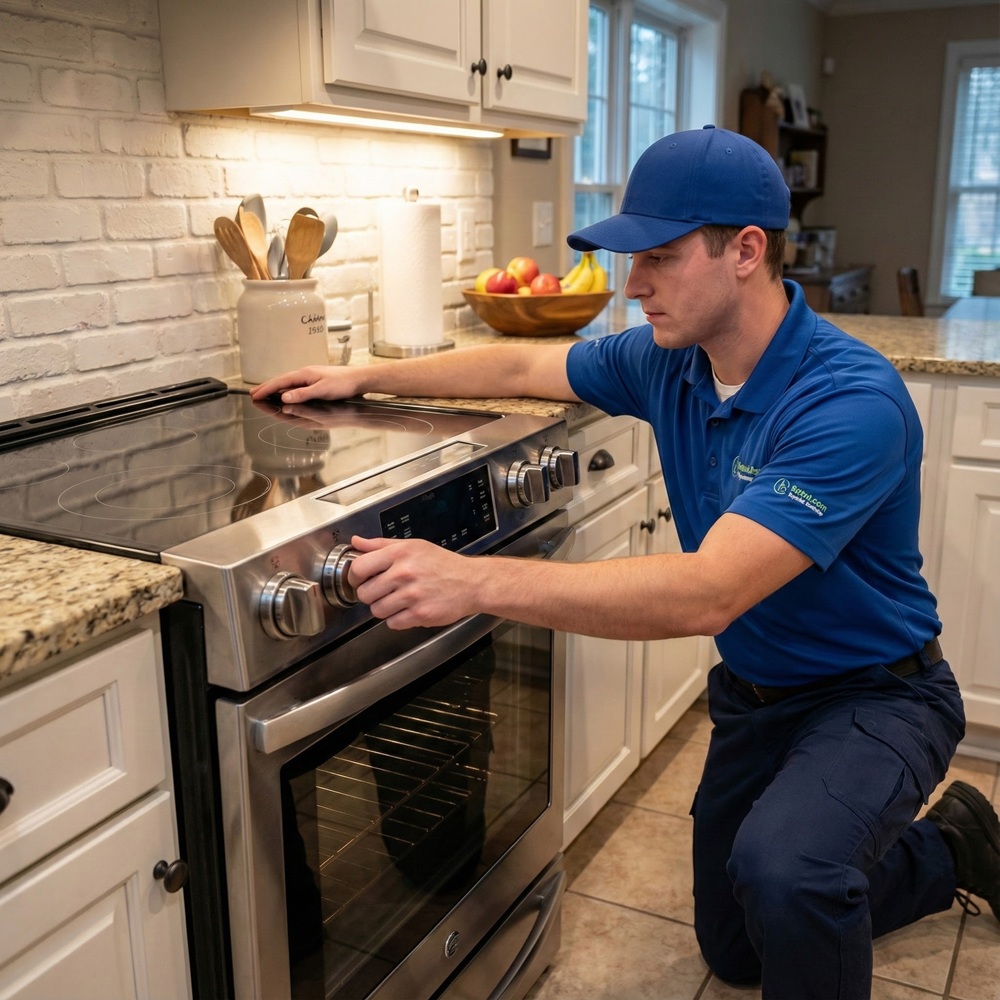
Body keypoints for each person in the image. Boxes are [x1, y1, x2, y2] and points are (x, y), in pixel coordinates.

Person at [251, 125, 999, 998]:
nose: (632, 284)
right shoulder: (670, 363)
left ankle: (841, 865)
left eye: (660, 257)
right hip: (758, 697)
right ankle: (953, 848)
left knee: (787, 873)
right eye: (630, 257)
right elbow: (523, 366)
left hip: (877, 693)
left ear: (745, 252)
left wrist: (469, 580)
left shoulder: (848, 401)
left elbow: (709, 592)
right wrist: (362, 375)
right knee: (738, 948)